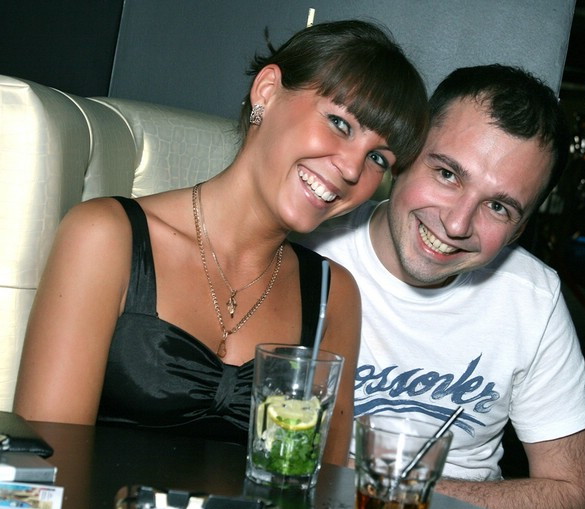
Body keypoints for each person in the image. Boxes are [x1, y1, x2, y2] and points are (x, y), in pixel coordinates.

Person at [13, 20, 429, 468]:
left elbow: (323, 486)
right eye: (339, 123)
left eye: (377, 158)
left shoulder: (335, 294)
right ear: (267, 91)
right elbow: (43, 469)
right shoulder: (106, 236)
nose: (351, 169)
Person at [298, 64, 585, 509]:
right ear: (403, 158)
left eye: (498, 206)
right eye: (447, 174)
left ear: (520, 230)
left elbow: (577, 506)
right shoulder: (306, 253)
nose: (457, 224)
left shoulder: (532, 297)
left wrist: (399, 491)